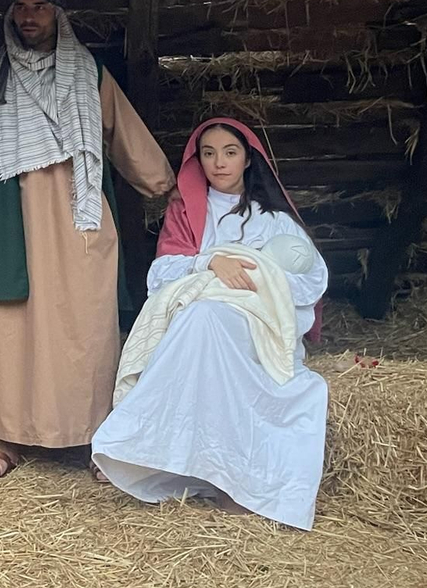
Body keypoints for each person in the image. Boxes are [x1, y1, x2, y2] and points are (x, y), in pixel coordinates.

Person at [0, 0, 175, 483]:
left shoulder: (89, 73)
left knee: (87, 326)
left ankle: (96, 439)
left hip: (80, 216)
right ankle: (11, 439)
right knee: (14, 327)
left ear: (58, 16)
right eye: (21, 7)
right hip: (15, 219)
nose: (29, 16)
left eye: (40, 8)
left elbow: (123, 133)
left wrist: (164, 185)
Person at [91, 118, 329, 529]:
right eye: (209, 153)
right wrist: (209, 261)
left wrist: (259, 273)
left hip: (256, 323)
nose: (219, 163)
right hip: (199, 313)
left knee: (206, 324)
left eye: (230, 152)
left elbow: (312, 279)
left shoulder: (274, 219)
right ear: (197, 160)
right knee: (200, 321)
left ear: (248, 159)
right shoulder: (186, 214)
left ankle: (235, 478)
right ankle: (145, 454)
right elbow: (161, 274)